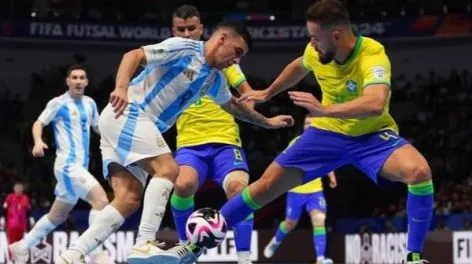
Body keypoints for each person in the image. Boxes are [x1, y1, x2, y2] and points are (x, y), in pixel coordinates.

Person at [164, 1, 434, 264]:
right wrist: (268, 92)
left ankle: (413, 258)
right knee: (264, 187)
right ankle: (192, 247)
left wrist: (325, 110)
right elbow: (299, 66)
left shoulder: (372, 54)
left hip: (373, 136)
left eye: (315, 37)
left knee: (419, 172)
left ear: (336, 35)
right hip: (327, 136)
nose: (312, 43)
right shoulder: (317, 52)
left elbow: (375, 103)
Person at [58, 20, 293, 264]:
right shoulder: (185, 49)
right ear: (222, 39)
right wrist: (120, 88)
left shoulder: (214, 80)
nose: (236, 60)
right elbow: (134, 55)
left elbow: (234, 106)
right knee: (169, 169)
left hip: (130, 125)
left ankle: (71, 255)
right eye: (237, 52)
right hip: (129, 112)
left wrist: (267, 122)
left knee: (128, 199)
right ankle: (143, 245)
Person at [169, 5, 255, 264]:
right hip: (190, 144)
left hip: (226, 142)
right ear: (173, 31)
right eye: (180, 29)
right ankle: (187, 251)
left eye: (191, 28)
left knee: (239, 189)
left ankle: (244, 258)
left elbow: (247, 93)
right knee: (183, 185)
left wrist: (247, 105)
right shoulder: (168, 60)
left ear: (201, 29)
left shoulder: (222, 57)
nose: (186, 34)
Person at [9, 64, 111, 264]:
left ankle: (21, 246)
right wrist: (38, 141)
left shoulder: (90, 103)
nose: (78, 81)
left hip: (80, 166)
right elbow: (39, 123)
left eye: (82, 78)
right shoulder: (58, 103)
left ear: (87, 82)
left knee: (57, 215)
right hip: (67, 165)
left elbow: (99, 128)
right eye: (74, 77)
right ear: (68, 81)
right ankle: (95, 254)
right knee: (101, 201)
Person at [263, 115, 335, 264]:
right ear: (303, 126)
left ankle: (320, 258)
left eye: (311, 124)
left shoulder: (323, 143)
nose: (308, 126)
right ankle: (276, 240)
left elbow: (327, 160)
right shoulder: (295, 143)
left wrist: (332, 176)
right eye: (306, 123)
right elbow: (283, 162)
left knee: (319, 220)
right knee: (289, 224)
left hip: (315, 191)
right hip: (296, 191)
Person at [3, 182, 32, 248]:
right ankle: (12, 257)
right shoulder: (9, 197)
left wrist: (30, 218)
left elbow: (28, 210)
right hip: (11, 225)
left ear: (22, 189)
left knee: (20, 243)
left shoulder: (25, 198)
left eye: (20, 188)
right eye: (17, 188)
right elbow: (4, 208)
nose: (18, 189)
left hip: (22, 225)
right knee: (12, 243)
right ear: (14, 188)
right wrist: (2, 217)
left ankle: (18, 257)